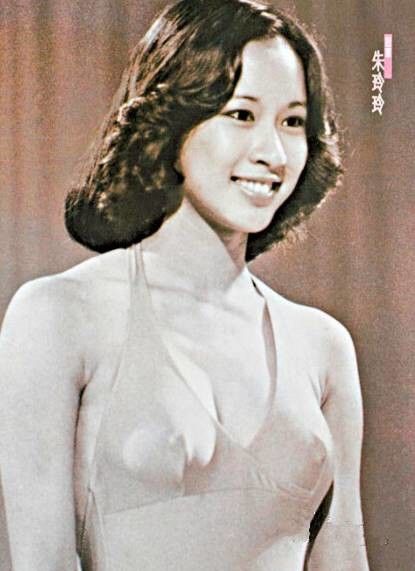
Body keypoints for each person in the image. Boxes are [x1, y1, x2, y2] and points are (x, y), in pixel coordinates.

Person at [0, 0, 370, 569]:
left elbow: (343, 556)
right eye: (241, 114)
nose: (272, 153)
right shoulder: (60, 315)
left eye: (293, 122)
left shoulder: (324, 346)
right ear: (174, 117)